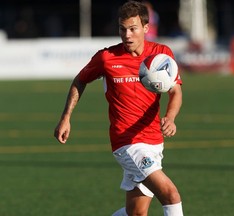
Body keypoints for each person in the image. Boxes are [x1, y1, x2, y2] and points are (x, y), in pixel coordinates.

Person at [54, 1, 183, 215]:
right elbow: (80, 80)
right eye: (122, 29)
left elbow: (175, 90)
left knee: (136, 213)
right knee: (171, 194)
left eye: (133, 28)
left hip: (153, 141)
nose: (127, 35)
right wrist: (66, 117)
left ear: (145, 28)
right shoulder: (107, 58)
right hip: (127, 143)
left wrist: (170, 117)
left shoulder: (161, 54)